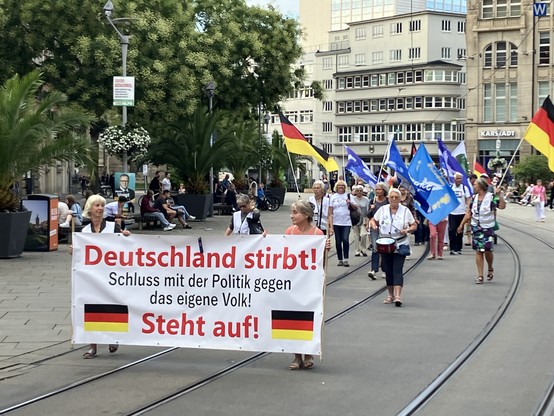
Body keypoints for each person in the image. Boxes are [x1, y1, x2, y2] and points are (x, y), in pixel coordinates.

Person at [70, 194, 131, 358]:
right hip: (93, 277)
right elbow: (82, 255)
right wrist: (74, 251)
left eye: (102, 205)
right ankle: (93, 346)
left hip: (111, 275)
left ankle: (113, 338)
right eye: (97, 205)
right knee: (91, 308)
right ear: (90, 209)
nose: (100, 208)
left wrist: (127, 237)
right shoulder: (85, 231)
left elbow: (125, 246)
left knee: (112, 305)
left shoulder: (112, 227)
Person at [284, 200, 330, 370]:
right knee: (292, 318)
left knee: (309, 318)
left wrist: (325, 250)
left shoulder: (317, 234)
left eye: (295, 212)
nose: (292, 216)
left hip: (310, 283)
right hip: (293, 282)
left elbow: (321, 263)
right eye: (292, 212)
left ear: (306, 215)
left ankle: (308, 353)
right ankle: (296, 355)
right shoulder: (289, 232)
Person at [370, 188, 416, 306]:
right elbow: (373, 220)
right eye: (392, 197)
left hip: (400, 243)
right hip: (385, 244)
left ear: (400, 199)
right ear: (388, 199)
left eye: (396, 197)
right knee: (387, 270)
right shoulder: (382, 210)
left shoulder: (405, 210)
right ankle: (390, 294)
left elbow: (414, 225)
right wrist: (374, 225)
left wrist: (407, 230)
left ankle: (397, 296)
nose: (394, 199)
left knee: (397, 270)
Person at [457, 177, 506, 284]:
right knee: (479, 251)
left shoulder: (491, 197)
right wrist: (461, 225)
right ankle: (480, 275)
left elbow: (502, 206)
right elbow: (469, 213)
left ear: (480, 187)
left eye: (475, 185)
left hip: (487, 227)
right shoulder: (474, 198)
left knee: (487, 250)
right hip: (476, 227)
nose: (473, 186)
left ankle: (490, 267)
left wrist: (499, 195)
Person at [328, 180, 356, 267]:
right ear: (336, 187)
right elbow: (330, 212)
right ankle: (340, 259)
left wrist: (350, 203)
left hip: (346, 222)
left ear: (345, 187)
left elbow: (356, 207)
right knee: (338, 241)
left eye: (342, 186)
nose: (341, 187)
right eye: (339, 186)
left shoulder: (349, 196)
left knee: (345, 239)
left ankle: (346, 259)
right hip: (336, 222)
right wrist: (331, 226)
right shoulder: (333, 197)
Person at [366, 182, 389, 280]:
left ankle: (384, 269)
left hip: (385, 228)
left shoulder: (388, 201)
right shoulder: (372, 201)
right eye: (376, 189)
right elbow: (368, 215)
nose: (378, 191)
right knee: (375, 248)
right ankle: (374, 270)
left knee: (384, 249)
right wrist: (372, 209)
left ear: (384, 190)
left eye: (379, 189)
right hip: (374, 227)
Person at [448, 172, 471, 255]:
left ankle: (458, 248)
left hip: (461, 212)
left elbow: (468, 198)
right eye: (457, 178)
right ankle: (452, 248)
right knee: (452, 230)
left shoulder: (464, 188)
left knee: (460, 230)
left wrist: (468, 208)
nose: (459, 180)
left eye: (460, 178)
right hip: (452, 212)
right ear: (454, 179)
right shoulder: (450, 187)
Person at [351, 184, 369, 257]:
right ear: (355, 191)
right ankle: (357, 250)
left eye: (360, 191)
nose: (359, 192)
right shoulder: (353, 199)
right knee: (356, 235)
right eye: (357, 190)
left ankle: (363, 249)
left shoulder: (366, 199)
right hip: (355, 219)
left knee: (363, 234)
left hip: (363, 218)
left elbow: (368, 210)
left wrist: (367, 220)